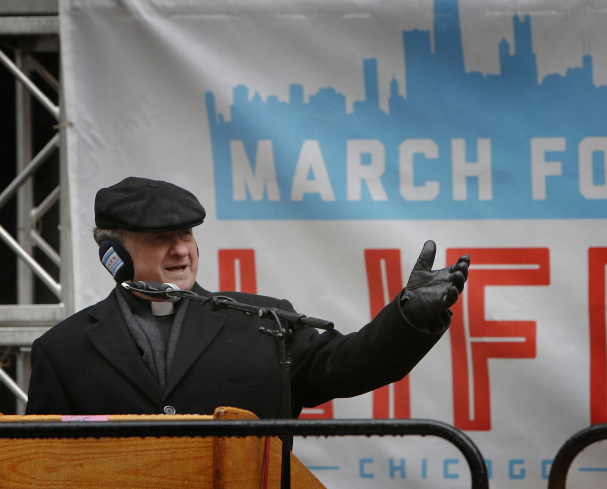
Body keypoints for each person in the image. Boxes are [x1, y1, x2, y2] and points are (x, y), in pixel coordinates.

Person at [25, 177, 470, 417]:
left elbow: (349, 366)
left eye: (187, 235)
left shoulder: (264, 322)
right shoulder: (62, 352)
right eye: (161, 238)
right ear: (114, 255)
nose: (181, 250)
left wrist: (407, 316)